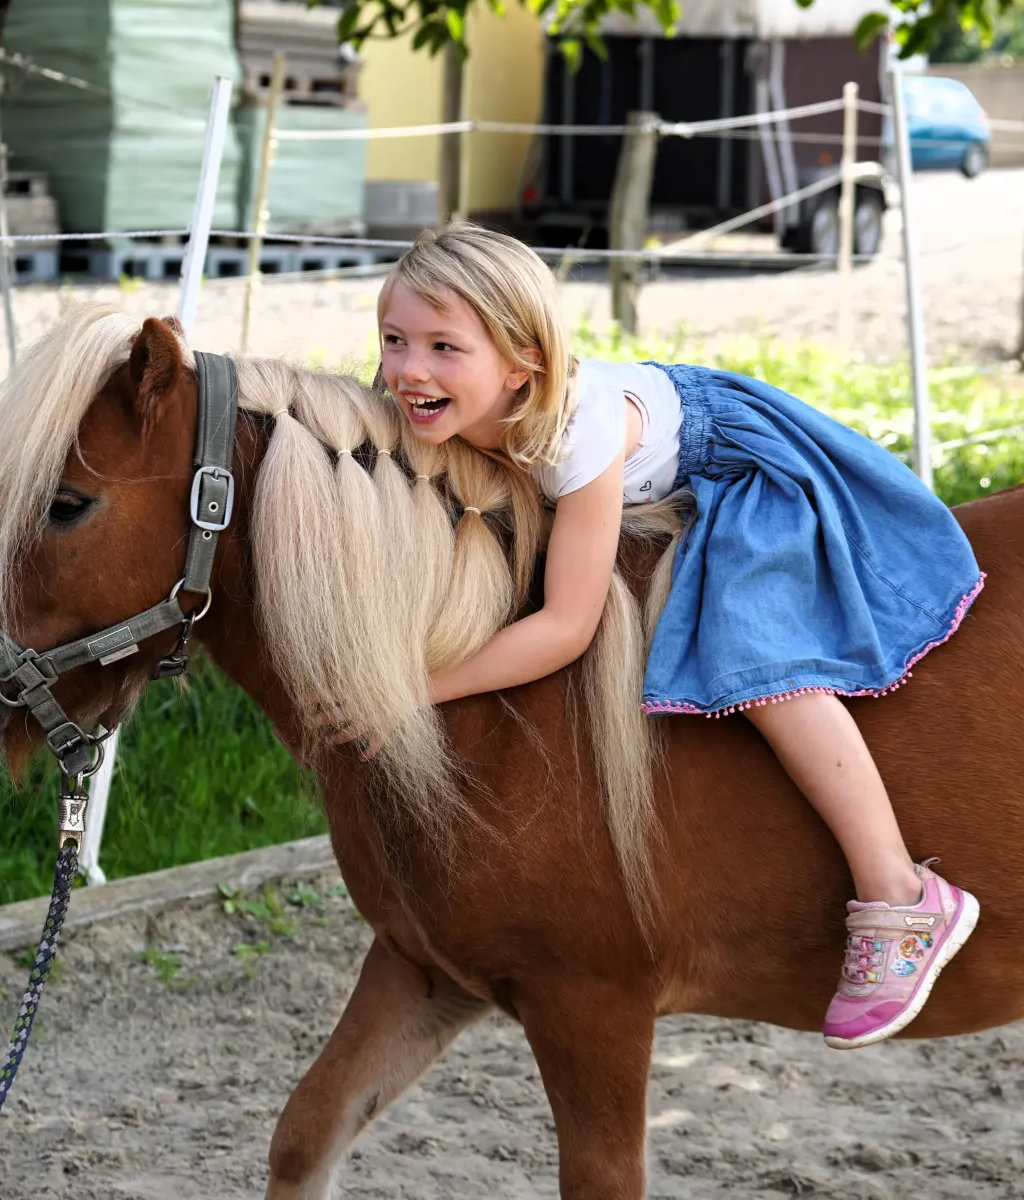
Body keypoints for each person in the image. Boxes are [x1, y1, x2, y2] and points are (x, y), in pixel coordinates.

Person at [370, 222, 984, 1050]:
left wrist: (414, 690)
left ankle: (901, 894)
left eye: (445, 347)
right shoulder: (424, 399)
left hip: (728, 463)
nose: (409, 369)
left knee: (758, 650)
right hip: (638, 449)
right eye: (395, 340)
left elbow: (565, 627)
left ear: (521, 365)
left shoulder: (575, 437)